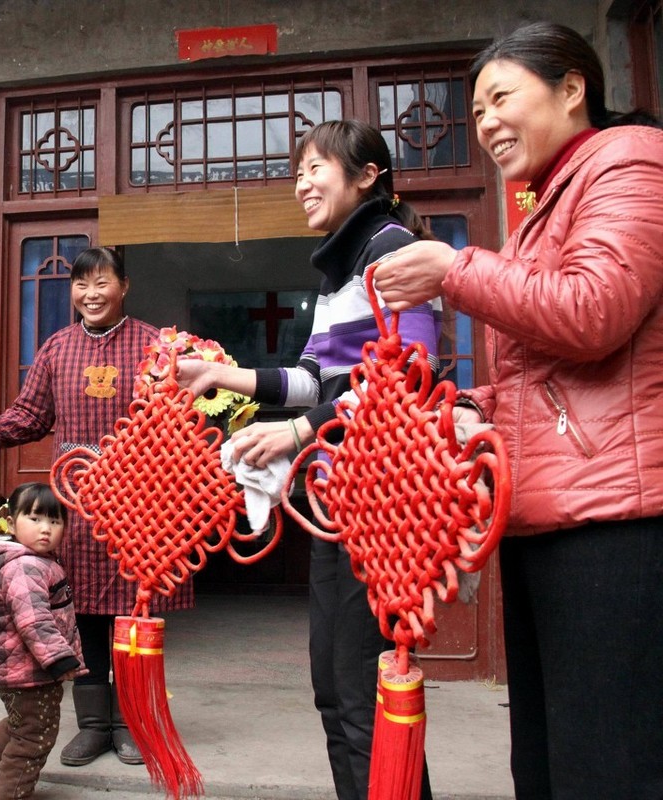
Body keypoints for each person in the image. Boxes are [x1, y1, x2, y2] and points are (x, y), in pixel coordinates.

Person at [372, 21, 663, 799]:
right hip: (549, 515)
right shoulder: (547, 202)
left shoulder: (628, 161)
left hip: (615, 523)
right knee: (546, 762)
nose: (488, 122)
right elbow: (544, 374)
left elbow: (595, 312)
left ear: (573, 88)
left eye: (502, 97)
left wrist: (455, 269)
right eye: (476, 113)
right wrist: (470, 405)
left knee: (605, 766)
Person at [175, 119, 440, 800]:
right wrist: (219, 377)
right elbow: (313, 380)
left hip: (379, 501)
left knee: (361, 699)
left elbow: (405, 381)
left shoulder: (392, 249)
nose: (301, 184)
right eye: (297, 173)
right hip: (333, 502)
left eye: (315, 168)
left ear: (368, 176)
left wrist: (297, 435)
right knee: (335, 692)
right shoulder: (339, 269)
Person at [0, 245, 190, 768]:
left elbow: (189, 414)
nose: (91, 294)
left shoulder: (156, 347)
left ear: (124, 286)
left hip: (141, 507)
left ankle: (131, 725)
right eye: (81, 284)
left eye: (102, 283)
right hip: (76, 510)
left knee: (131, 616)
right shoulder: (57, 348)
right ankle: (94, 725)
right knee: (81, 617)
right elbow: (29, 416)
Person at [0, 482, 86, 798]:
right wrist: (60, 660)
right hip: (30, 670)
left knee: (20, 721)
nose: (46, 529)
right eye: (35, 519)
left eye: (55, 520)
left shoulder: (34, 560)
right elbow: (33, 621)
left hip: (19, 666)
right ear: (10, 522)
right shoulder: (26, 566)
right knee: (34, 734)